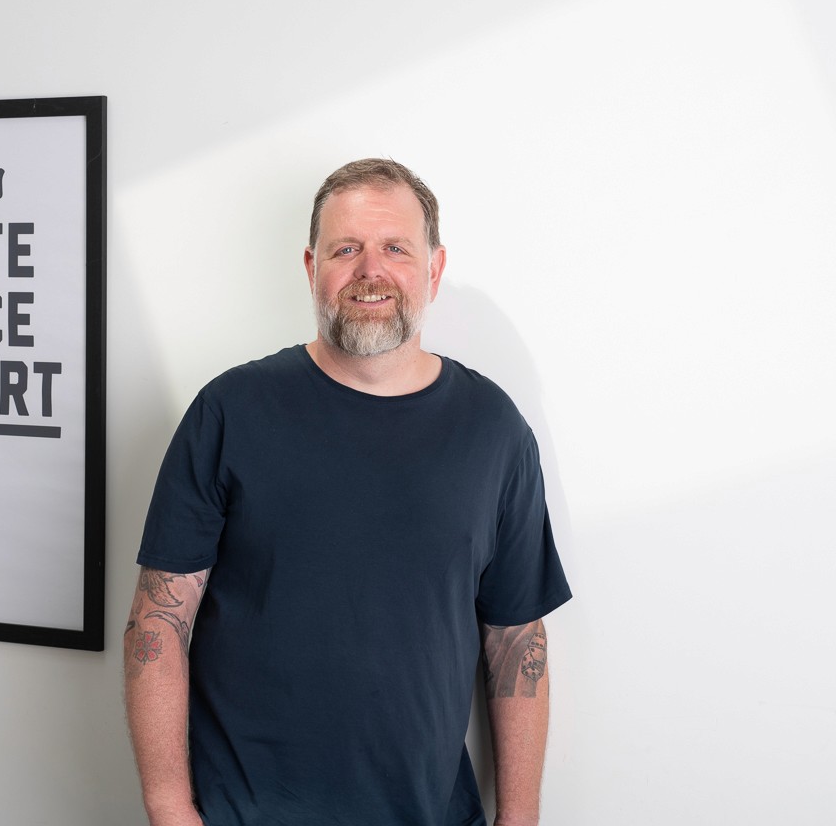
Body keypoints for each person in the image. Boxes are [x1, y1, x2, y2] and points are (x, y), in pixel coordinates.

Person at [124, 158, 571, 826]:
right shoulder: (231, 412)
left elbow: (517, 642)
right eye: (346, 249)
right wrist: (169, 810)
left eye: (395, 248)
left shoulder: (493, 431)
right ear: (312, 267)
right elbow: (157, 623)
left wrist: (521, 819)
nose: (371, 270)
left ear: (434, 269)